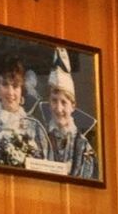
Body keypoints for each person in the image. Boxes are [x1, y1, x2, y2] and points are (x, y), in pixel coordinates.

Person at [0, 55, 48, 168]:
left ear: (22, 90)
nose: (10, 92)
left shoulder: (35, 125)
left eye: (15, 86)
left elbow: (45, 164)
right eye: (5, 85)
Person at [40, 50, 98, 181]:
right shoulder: (41, 138)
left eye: (63, 102)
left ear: (73, 106)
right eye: (54, 101)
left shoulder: (83, 147)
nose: (58, 108)